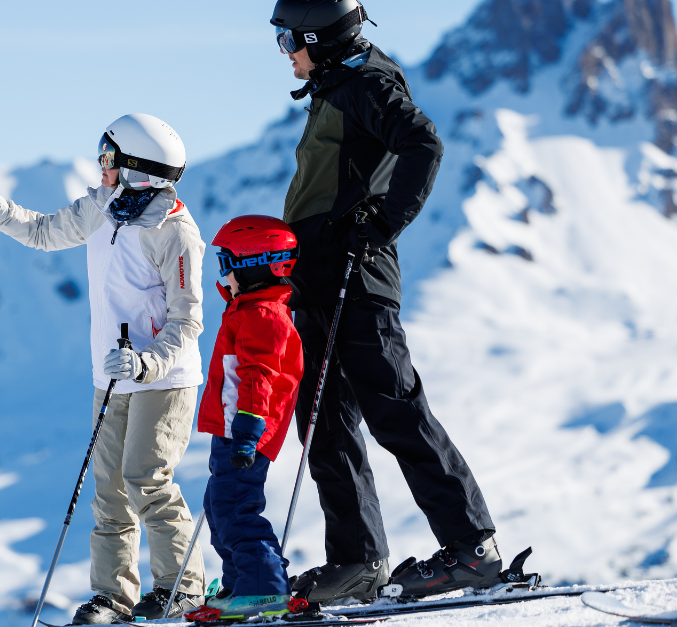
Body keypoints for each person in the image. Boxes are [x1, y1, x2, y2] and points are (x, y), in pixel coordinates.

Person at [269, 0, 501, 603]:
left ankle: (473, 549)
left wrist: (379, 224)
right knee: (324, 423)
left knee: (393, 409)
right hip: (317, 274)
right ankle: (357, 563)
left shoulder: (367, 82)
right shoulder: (335, 84)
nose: (285, 52)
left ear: (319, 36)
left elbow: (422, 143)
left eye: (288, 39)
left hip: (355, 271)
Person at [0, 113, 207, 623]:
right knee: (109, 491)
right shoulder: (102, 208)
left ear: (139, 169)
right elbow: (45, 233)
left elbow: (188, 320)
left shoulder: (174, 231)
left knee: (147, 479)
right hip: (108, 377)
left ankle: (182, 588)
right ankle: (113, 599)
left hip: (163, 379)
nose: (101, 168)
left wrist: (145, 362)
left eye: (109, 159)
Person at [190, 216, 304, 621]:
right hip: (232, 430)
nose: (225, 276)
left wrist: (247, 432)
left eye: (228, 265)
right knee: (220, 508)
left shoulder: (264, 316)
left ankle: (266, 590)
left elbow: (260, 378)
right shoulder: (248, 310)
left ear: (256, 265)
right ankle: (241, 585)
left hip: (245, 433)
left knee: (236, 509)